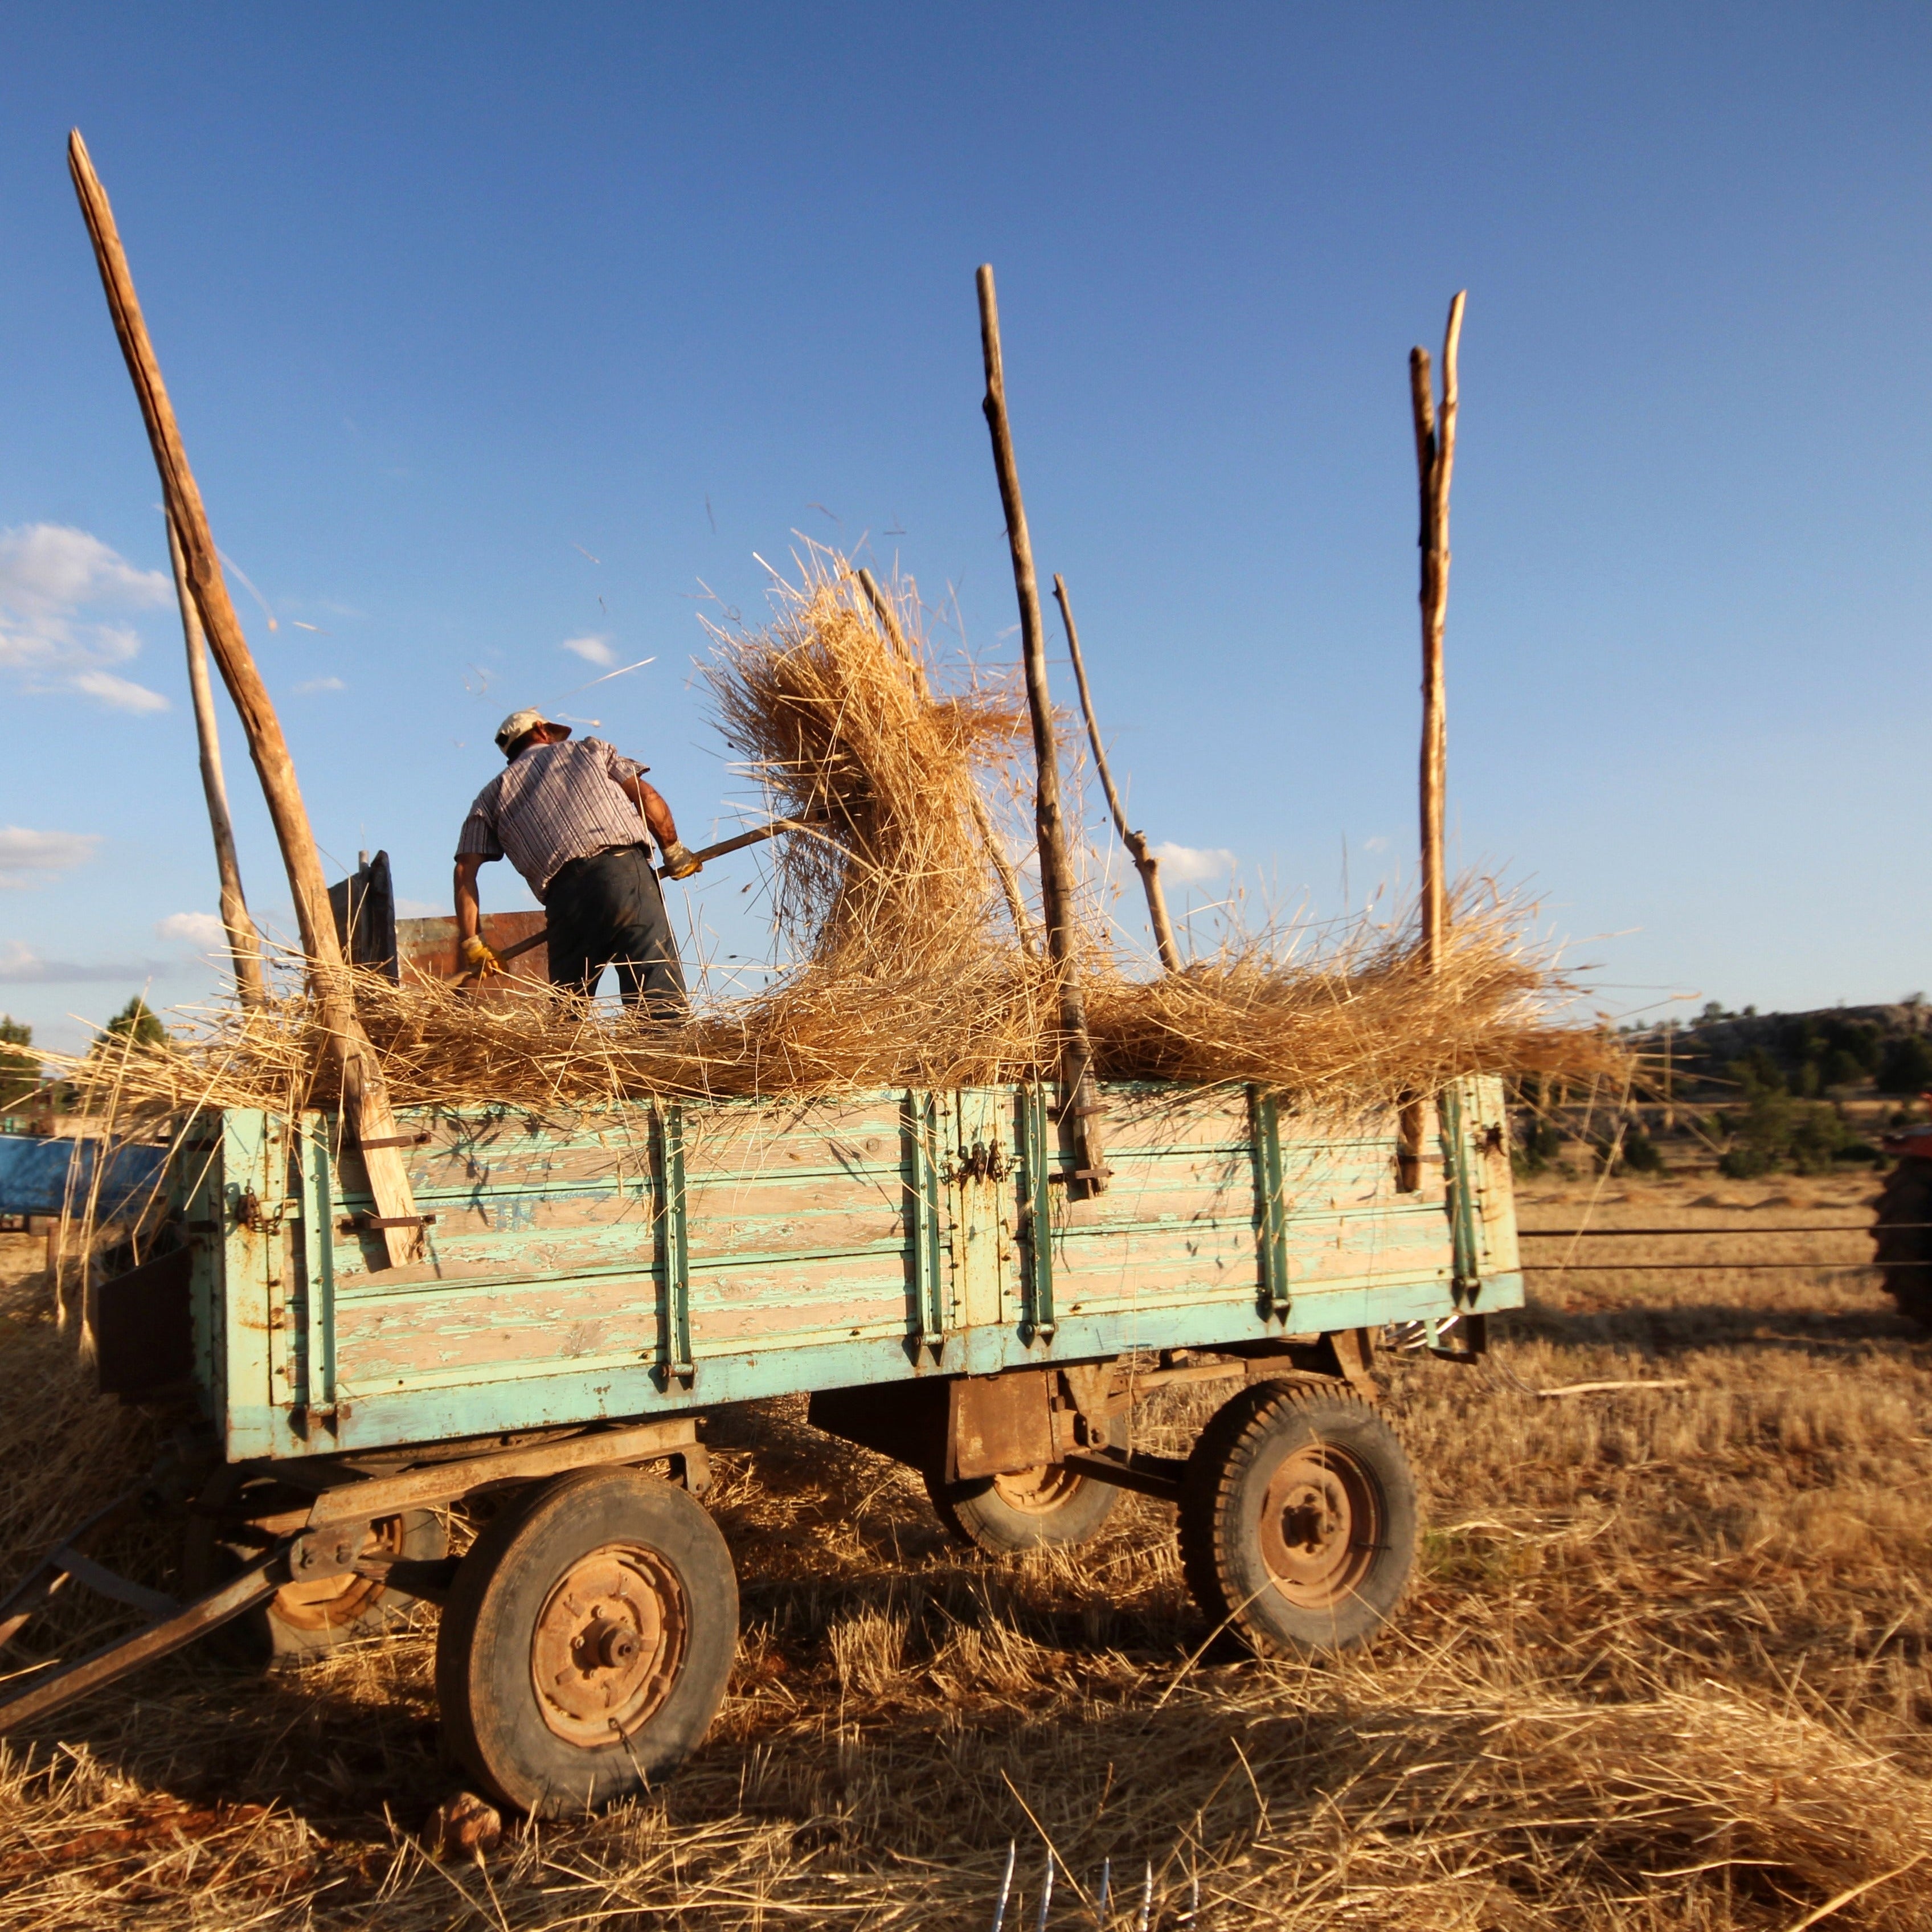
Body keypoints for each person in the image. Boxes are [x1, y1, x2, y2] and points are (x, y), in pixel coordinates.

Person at [455, 707, 702, 1017]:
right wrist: (673, 849)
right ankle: (667, 1055)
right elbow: (646, 796)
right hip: (622, 876)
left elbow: (465, 870)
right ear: (543, 731)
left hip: (564, 905)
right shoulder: (589, 750)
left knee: (567, 1021)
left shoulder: (490, 797)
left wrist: (473, 942)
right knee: (659, 1001)